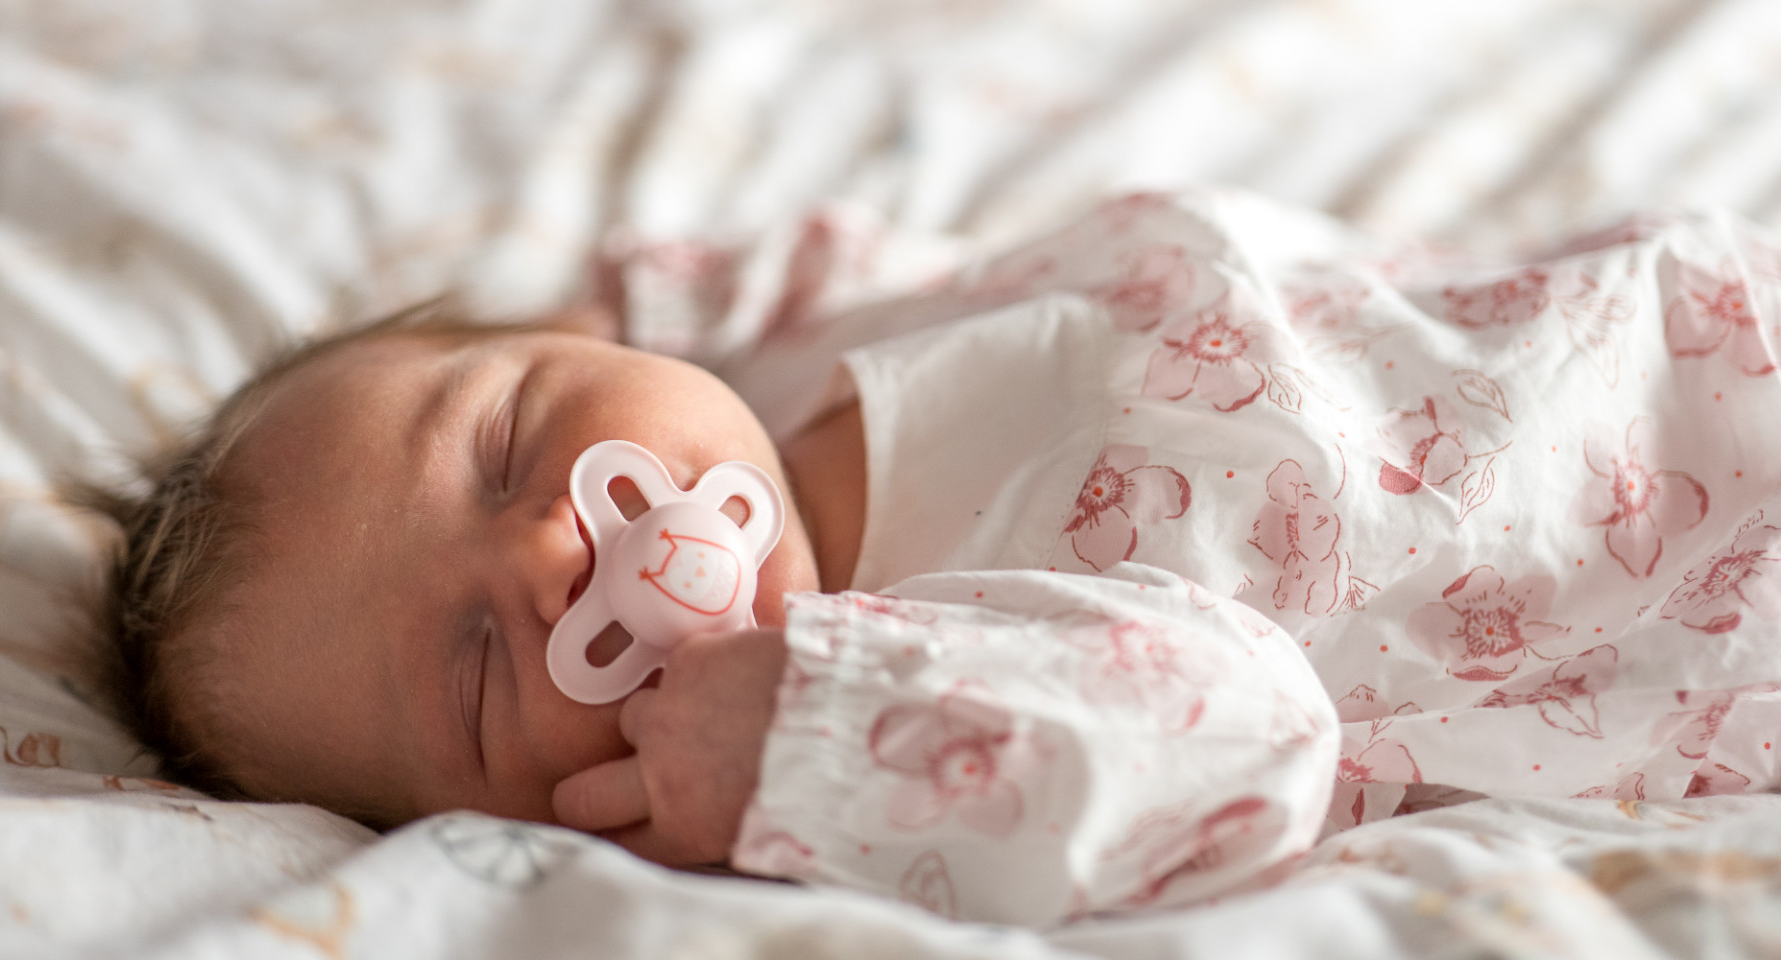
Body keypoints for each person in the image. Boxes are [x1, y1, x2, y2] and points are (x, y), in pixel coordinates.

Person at [88, 189, 1781, 928]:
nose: (546, 546)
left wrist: (662, 312)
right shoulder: (910, 684)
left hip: (1664, 324)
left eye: (513, 437)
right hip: (1702, 586)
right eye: (475, 668)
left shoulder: (778, 356)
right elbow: (1244, 729)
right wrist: (815, 745)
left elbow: (759, 289)